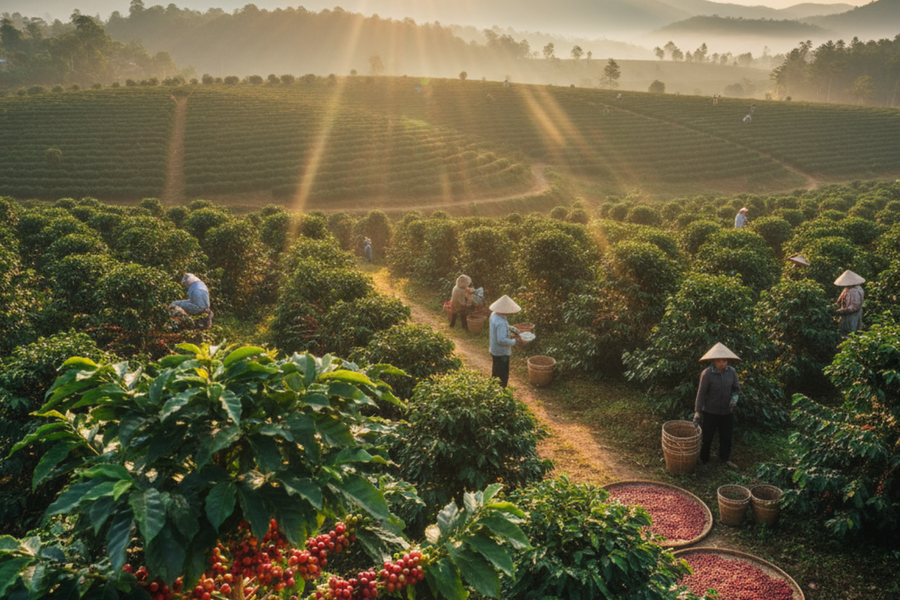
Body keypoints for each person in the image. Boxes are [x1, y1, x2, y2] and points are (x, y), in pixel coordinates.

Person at [693, 343, 741, 468]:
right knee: (707, 438)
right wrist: (697, 412)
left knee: (726, 437)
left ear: (727, 361)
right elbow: (701, 394)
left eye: (724, 360)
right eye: (719, 360)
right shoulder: (707, 373)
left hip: (727, 411)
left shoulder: (731, 372)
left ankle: (724, 458)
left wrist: (734, 399)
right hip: (710, 411)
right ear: (714, 361)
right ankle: (704, 460)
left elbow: (736, 389)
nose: (722, 363)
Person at [489, 295, 522, 388]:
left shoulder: (494, 315)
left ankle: (492, 389)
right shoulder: (501, 322)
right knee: (502, 375)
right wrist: (514, 341)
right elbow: (501, 340)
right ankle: (500, 393)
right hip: (501, 353)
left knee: (496, 371)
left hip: (494, 349)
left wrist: (512, 329)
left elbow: (500, 329)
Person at [834, 270, 865, 336]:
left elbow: (854, 307)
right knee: (844, 333)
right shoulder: (846, 289)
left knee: (852, 333)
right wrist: (834, 306)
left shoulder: (856, 290)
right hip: (845, 314)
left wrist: (840, 311)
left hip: (852, 315)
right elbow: (839, 300)